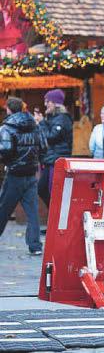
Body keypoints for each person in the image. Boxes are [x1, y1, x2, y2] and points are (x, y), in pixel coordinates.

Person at [0, 97, 47, 255]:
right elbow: (44, 147)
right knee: (32, 212)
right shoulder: (35, 125)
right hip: (30, 174)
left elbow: (5, 151)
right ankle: (35, 246)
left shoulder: (7, 127)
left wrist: (9, 163)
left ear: (8, 109)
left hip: (14, 174)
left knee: (3, 209)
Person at [34, 89, 73, 207]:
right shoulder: (52, 118)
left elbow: (51, 137)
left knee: (53, 191)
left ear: (56, 103)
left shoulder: (62, 118)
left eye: (48, 101)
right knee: (42, 189)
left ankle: (56, 220)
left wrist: (41, 123)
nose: (45, 104)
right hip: (49, 160)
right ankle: (54, 218)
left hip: (56, 161)